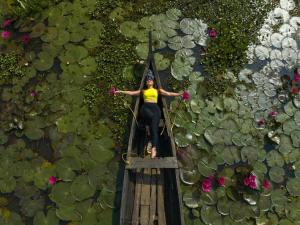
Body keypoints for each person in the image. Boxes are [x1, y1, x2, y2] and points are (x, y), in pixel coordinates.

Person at [115, 69, 183, 158]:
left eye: (150, 79)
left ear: (153, 81)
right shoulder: (143, 91)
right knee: (152, 122)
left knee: (154, 129)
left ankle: (154, 148)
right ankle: (149, 134)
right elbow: (132, 93)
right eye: (147, 80)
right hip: (145, 108)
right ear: (146, 83)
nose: (149, 81)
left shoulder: (158, 90)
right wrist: (119, 91)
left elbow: (169, 93)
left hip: (155, 108)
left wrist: (180, 94)